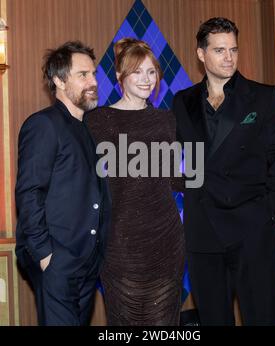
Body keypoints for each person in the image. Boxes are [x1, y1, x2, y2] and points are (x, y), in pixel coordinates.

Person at [172, 17, 275, 326]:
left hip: (253, 228)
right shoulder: (182, 101)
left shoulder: (264, 97)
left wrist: (274, 214)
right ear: (201, 54)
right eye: (219, 50)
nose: (229, 57)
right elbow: (171, 157)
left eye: (233, 49)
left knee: (263, 318)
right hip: (203, 233)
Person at [85, 38, 185, 326]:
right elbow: (87, 183)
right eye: (137, 72)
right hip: (119, 247)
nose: (146, 79)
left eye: (151, 72)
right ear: (119, 76)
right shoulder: (97, 122)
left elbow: (175, 179)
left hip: (166, 244)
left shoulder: (167, 120)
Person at [15, 41, 111, 326]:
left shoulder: (90, 129)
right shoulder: (43, 124)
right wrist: (46, 255)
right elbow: (29, 192)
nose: (93, 81)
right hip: (57, 260)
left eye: (93, 74)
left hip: (87, 260)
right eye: (83, 75)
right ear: (58, 80)